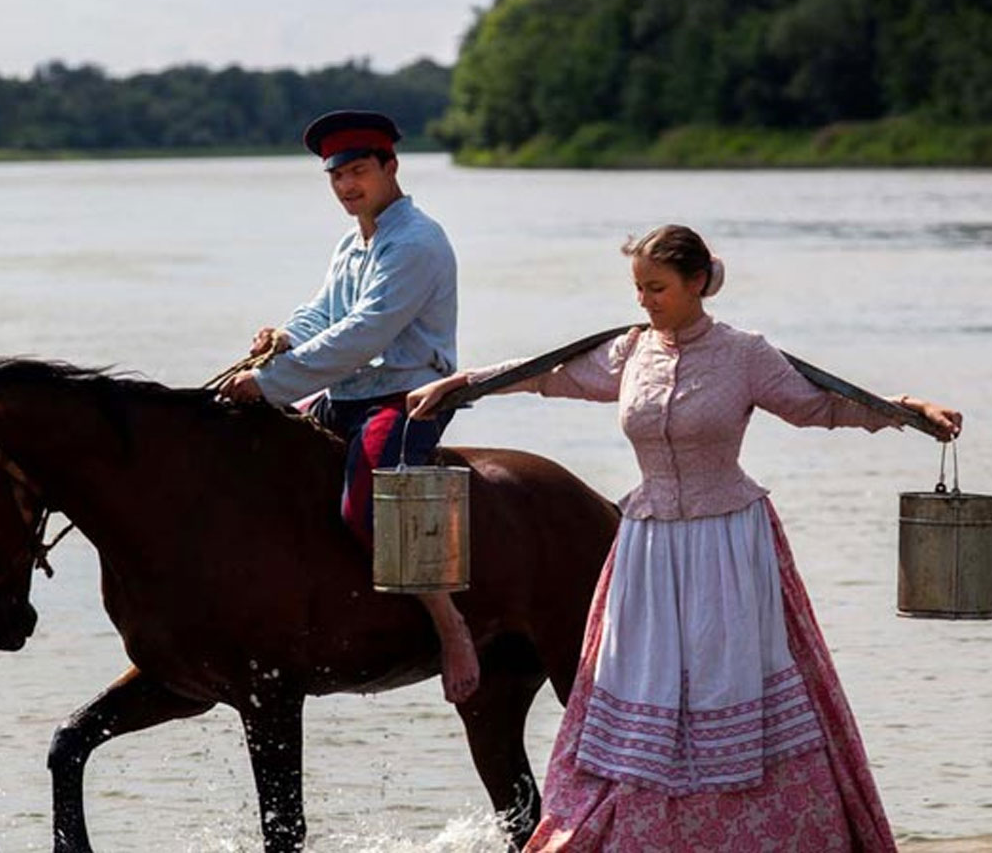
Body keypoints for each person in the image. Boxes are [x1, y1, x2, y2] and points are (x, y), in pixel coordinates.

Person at [407, 224, 961, 851]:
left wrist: (905, 411)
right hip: (648, 547)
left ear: (698, 283)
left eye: (657, 287)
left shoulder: (745, 353)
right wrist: (465, 383)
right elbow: (550, 373)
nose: (644, 300)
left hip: (730, 543)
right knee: (642, 683)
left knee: (729, 685)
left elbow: (821, 406)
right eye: (638, 288)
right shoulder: (631, 351)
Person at [217, 109, 479, 704]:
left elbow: (364, 333)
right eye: (337, 177)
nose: (347, 186)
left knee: (367, 505)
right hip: (346, 396)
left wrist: (272, 383)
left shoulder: (416, 242)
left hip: (408, 398)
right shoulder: (352, 241)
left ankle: (448, 624)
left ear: (391, 167)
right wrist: (281, 338)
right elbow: (323, 313)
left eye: (359, 171)